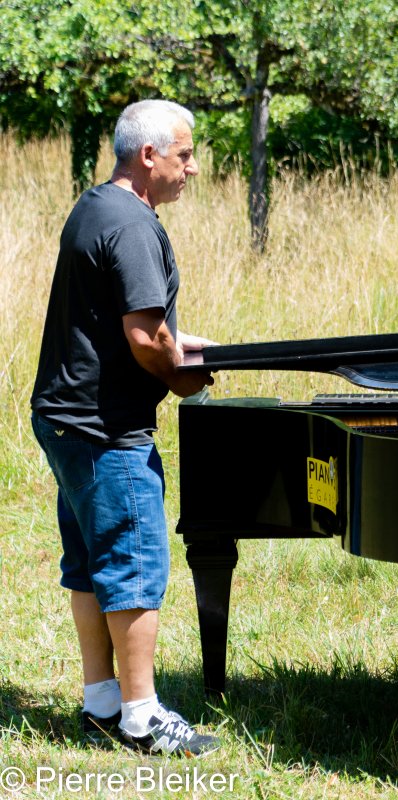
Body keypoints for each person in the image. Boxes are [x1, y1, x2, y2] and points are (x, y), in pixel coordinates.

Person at [30, 99, 220, 757]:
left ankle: (101, 702)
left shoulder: (93, 207)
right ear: (150, 155)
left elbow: (118, 319)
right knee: (135, 565)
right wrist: (183, 375)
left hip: (63, 417)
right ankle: (141, 717)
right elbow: (143, 336)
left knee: (88, 564)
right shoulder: (136, 225)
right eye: (185, 155)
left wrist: (182, 344)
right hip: (106, 428)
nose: (191, 169)